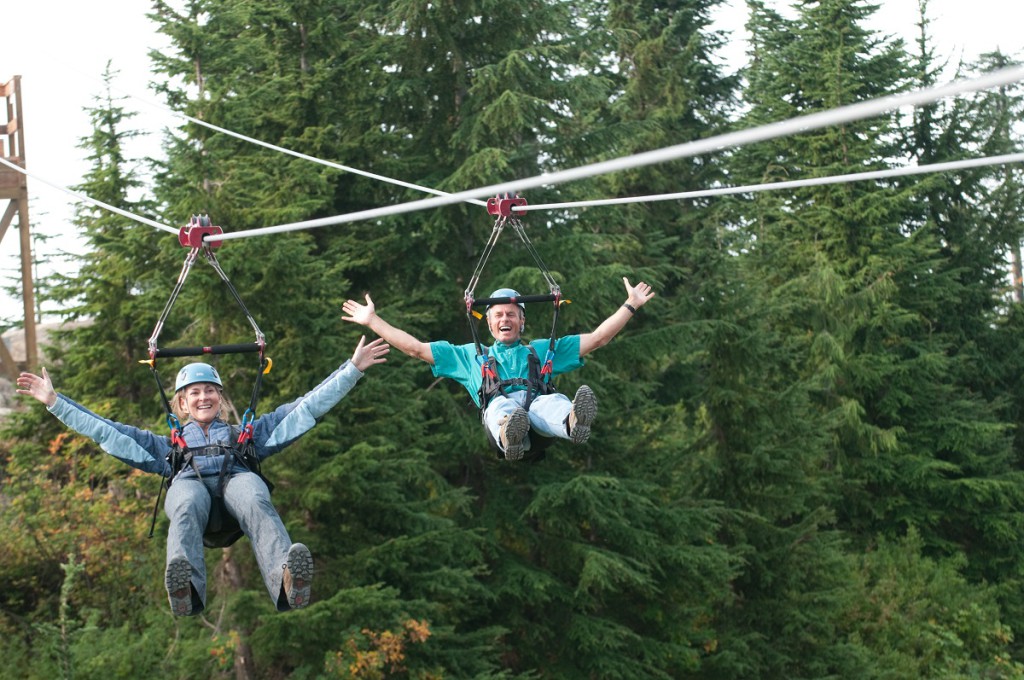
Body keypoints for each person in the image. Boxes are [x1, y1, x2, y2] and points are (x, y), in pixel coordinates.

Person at [16, 334, 390, 616]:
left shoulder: (246, 438)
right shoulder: (169, 448)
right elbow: (106, 431)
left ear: (221, 397)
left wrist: (352, 369)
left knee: (254, 493)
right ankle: (186, 592)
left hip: (236, 495)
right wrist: (55, 403)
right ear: (182, 403)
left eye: (210, 390)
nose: (203, 397)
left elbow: (306, 408)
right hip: (192, 496)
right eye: (194, 393)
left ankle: (288, 582)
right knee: (184, 499)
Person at [342, 277, 654, 459]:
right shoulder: (470, 357)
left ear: (522, 321)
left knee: (547, 403)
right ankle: (511, 432)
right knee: (501, 406)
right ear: (489, 322)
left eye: (511, 314)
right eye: (498, 315)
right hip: (501, 429)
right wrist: (372, 321)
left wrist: (631, 305)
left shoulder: (543, 350)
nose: (505, 319)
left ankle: (572, 421)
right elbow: (415, 348)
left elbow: (599, 338)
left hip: (540, 420)